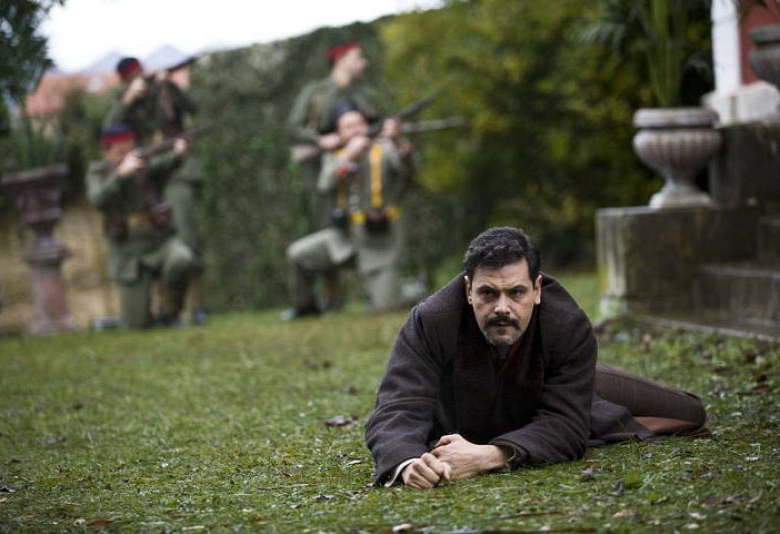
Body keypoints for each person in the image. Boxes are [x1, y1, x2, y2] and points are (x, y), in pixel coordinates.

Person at [365, 227, 707, 488]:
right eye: (487, 293)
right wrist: (408, 463)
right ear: (468, 290)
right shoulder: (432, 320)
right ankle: (593, 423)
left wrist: (490, 455)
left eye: (516, 292)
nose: (502, 307)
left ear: (537, 289)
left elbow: (566, 426)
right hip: (483, 412)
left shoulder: (566, 323)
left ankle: (605, 418)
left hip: (561, 385)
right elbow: (397, 405)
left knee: (689, 413)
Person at [284, 106, 415, 318]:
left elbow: (408, 169)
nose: (355, 130)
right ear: (339, 133)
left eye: (359, 124)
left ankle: (414, 290)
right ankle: (305, 307)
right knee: (298, 254)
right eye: (348, 126)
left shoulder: (384, 149)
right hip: (343, 237)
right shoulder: (336, 155)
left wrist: (398, 142)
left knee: (386, 307)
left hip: (378, 240)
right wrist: (348, 155)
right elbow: (325, 184)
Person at [107, 56, 209, 325]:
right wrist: (128, 99)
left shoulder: (162, 89)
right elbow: (109, 130)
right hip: (143, 174)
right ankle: (161, 307)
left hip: (175, 169)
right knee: (155, 238)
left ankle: (194, 307)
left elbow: (193, 107)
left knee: (186, 237)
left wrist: (169, 85)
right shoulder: (121, 98)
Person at [287, 42, 382, 311]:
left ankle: (375, 290)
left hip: (363, 166)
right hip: (324, 166)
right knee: (327, 227)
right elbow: (293, 128)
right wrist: (320, 140)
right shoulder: (316, 92)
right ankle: (331, 297)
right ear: (341, 59)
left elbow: (376, 122)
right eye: (357, 57)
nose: (363, 63)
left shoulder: (362, 93)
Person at [86, 125, 195, 329]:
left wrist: (178, 154)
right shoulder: (98, 171)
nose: (128, 156)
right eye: (121, 152)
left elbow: (164, 164)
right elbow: (97, 199)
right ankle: (113, 322)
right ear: (106, 152)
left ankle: (170, 312)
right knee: (136, 326)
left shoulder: (144, 166)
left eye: (130, 149)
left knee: (182, 259)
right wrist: (120, 174)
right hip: (130, 254)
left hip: (159, 241)